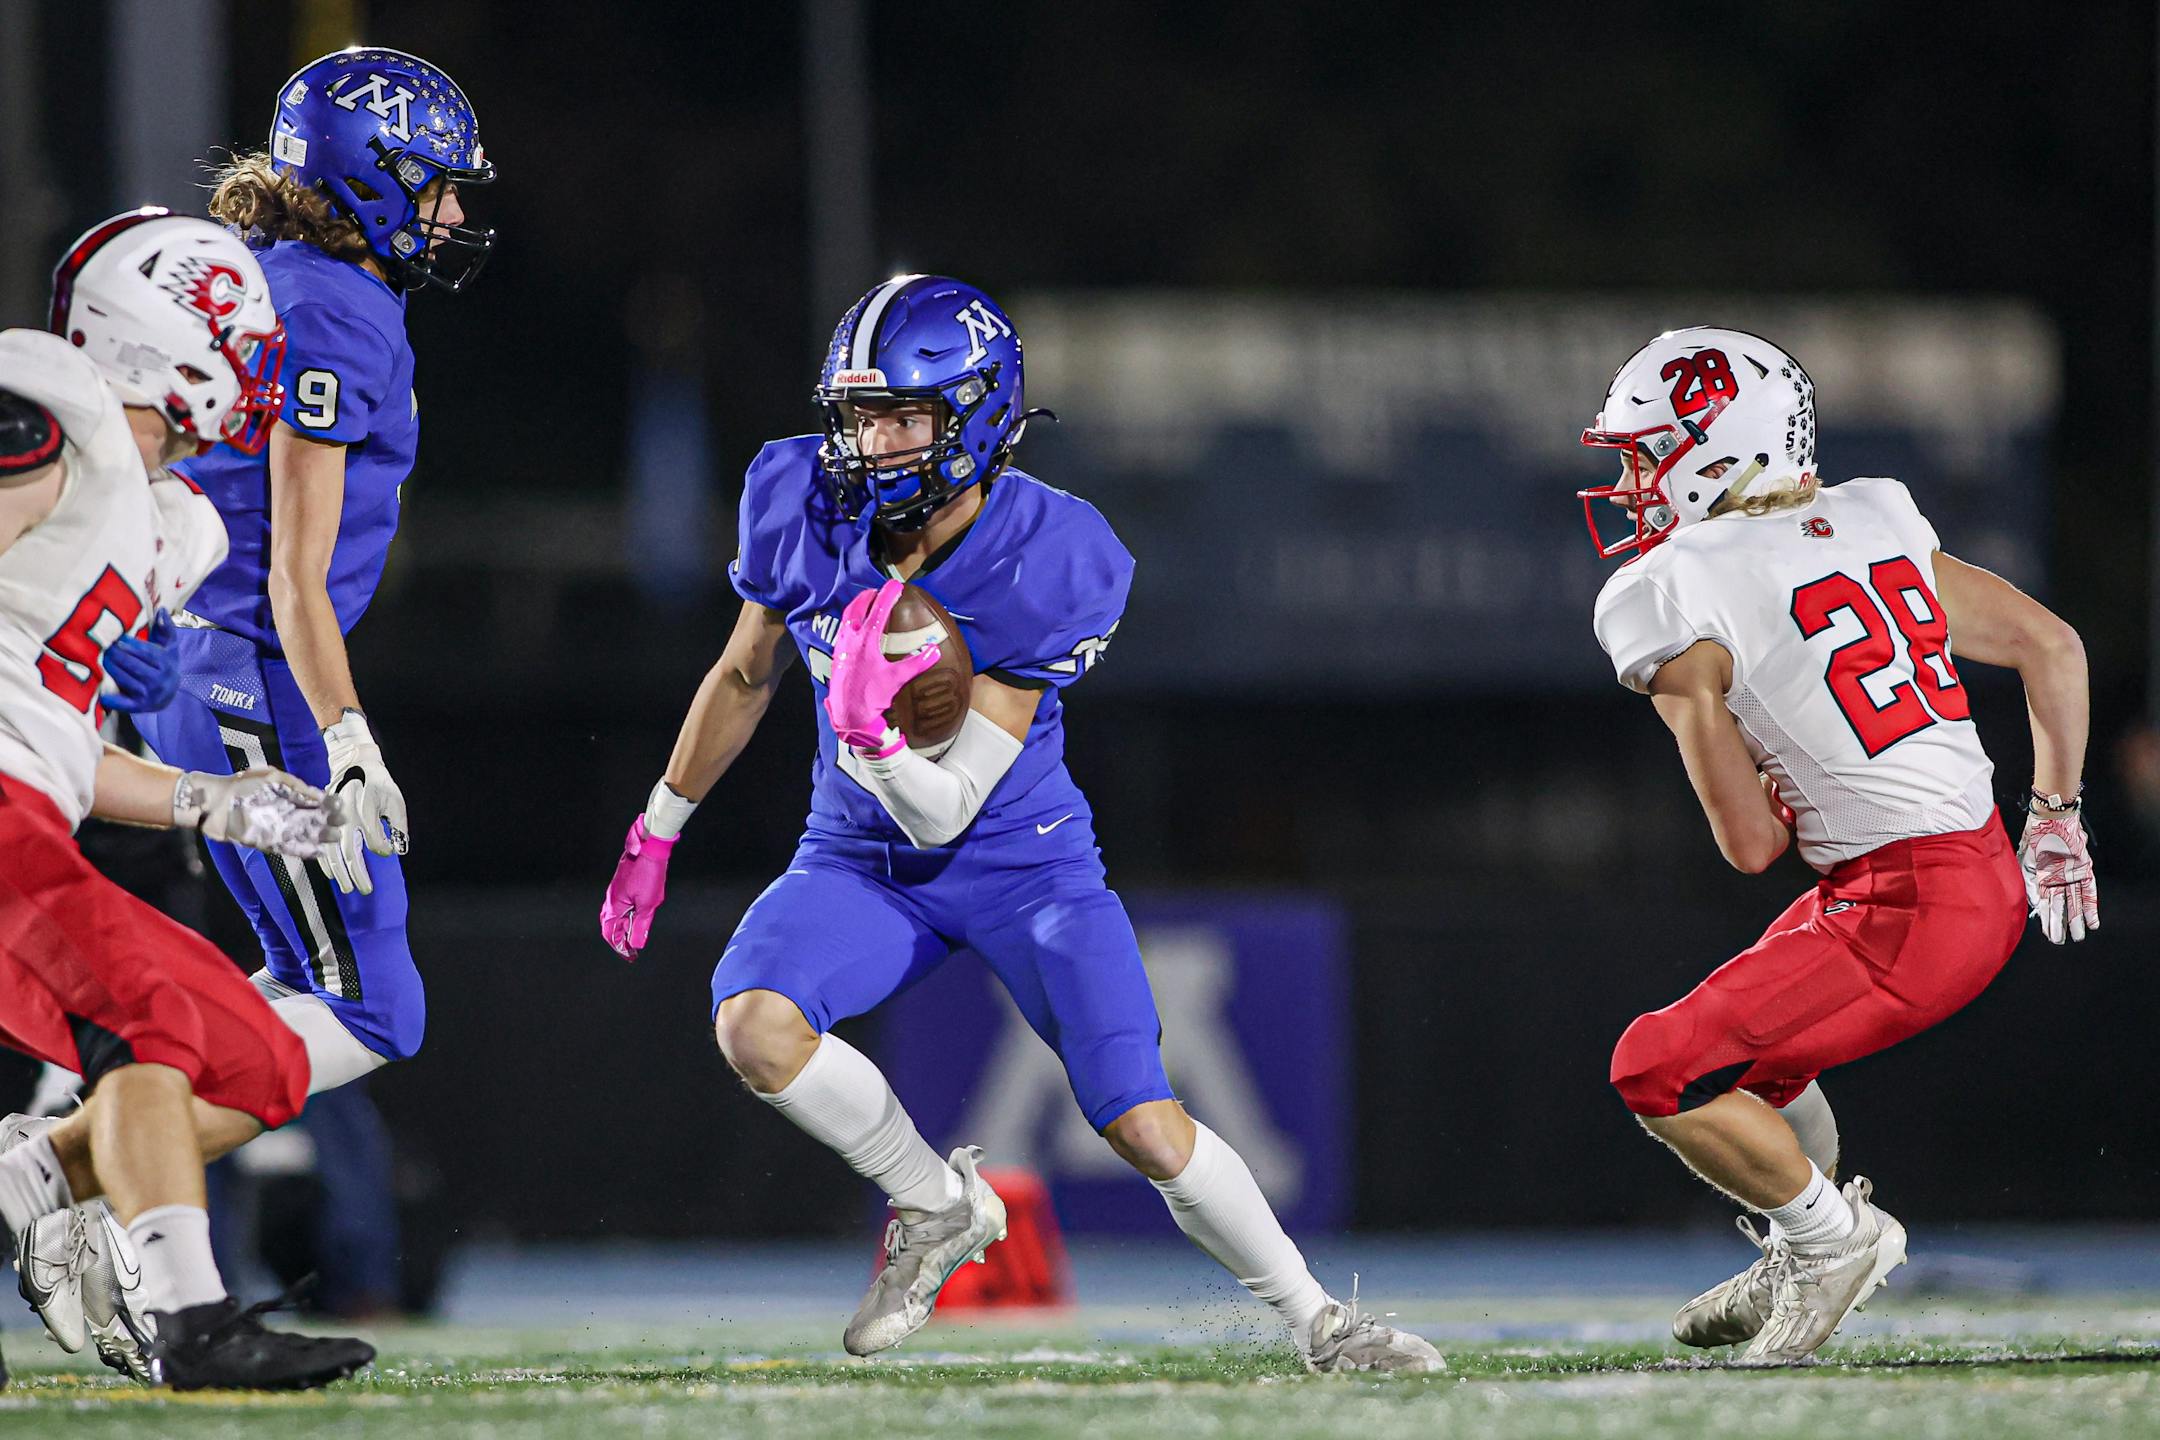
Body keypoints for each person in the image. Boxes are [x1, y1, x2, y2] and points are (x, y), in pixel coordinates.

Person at [600, 275, 1443, 1373]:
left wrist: (874, 741)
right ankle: (936, 1205)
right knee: (752, 1025)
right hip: (857, 857)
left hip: (1019, 862)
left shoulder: (1053, 550)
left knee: (1139, 1117)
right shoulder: (797, 493)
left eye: (903, 418)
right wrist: (658, 827)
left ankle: (1322, 1322)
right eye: (860, 417)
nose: (873, 444)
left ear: (977, 416)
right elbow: (745, 673)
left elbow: (951, 807)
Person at [1579, 327, 2094, 1366]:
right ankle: (1800, 1240)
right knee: (1747, 1072)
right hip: (1971, 872)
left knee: (1657, 1067)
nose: (1630, 484)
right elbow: (2051, 644)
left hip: (1904, 909)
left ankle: (1829, 1241)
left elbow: (1750, 845)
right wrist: (2055, 815)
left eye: (1647, 455)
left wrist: (1745, 749)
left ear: (1716, 449)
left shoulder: (1669, 587)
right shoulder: (1871, 514)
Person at [0, 208, 374, 1389]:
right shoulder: (49, 407)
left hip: (30, 817)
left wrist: (218, 801)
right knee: (156, 1018)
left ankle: (61, 1213)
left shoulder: (160, 516)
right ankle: (193, 1324)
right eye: (240, 341)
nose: (256, 371)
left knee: (254, 1055)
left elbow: (64, 755)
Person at [133, 46, 494, 1106]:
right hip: (254, 680)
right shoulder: (334, 310)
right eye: (434, 189)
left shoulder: (275, 272)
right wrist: (346, 740)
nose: (453, 217)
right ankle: (64, 1169)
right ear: (371, 179)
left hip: (196, 667)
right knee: (375, 1009)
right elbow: (296, 570)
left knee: (305, 977)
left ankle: (94, 1151)